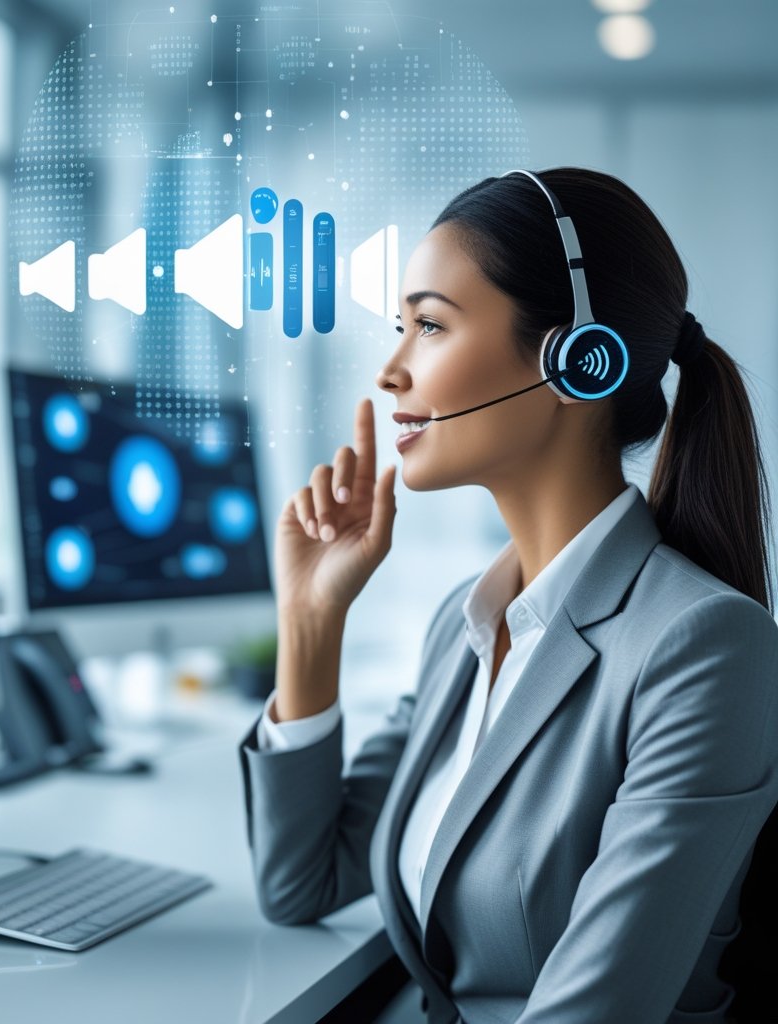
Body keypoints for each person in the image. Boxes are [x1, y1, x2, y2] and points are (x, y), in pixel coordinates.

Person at [238, 166, 778, 1024]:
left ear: (577, 360)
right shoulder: (466, 627)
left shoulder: (702, 644)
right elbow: (299, 883)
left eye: (429, 326)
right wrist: (311, 623)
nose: (391, 372)